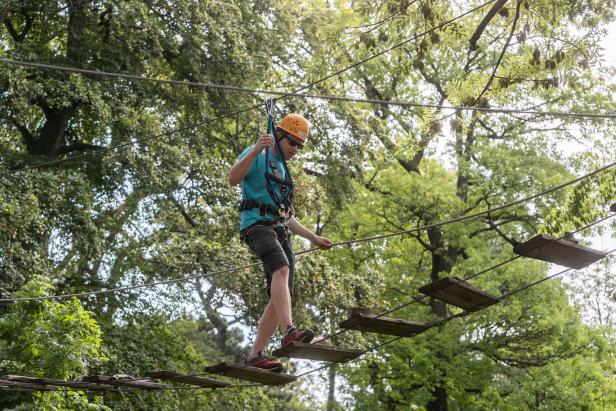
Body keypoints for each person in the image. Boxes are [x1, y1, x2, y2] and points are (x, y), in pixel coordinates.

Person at [228, 113, 333, 372]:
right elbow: (232, 178)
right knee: (281, 270)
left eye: (299, 145)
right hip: (256, 225)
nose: (295, 149)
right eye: (292, 143)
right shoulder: (259, 156)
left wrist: (313, 237)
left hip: (278, 228)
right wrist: (254, 150)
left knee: (281, 291)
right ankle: (289, 331)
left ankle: (255, 355)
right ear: (279, 134)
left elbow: (286, 216)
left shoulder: (282, 168)